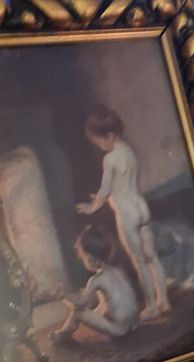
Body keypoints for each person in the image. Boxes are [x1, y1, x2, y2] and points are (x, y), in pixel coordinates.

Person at [77, 105, 170, 320]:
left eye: (99, 142)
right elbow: (123, 185)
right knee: (152, 257)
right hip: (141, 207)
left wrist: (92, 206)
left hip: (127, 213)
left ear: (109, 136)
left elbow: (106, 190)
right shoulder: (129, 151)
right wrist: (107, 197)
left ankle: (151, 307)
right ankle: (163, 300)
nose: (100, 146)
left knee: (139, 262)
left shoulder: (109, 159)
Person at [49, 226, 138, 344]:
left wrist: (63, 296)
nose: (80, 258)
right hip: (133, 324)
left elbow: (80, 304)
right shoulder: (118, 270)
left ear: (90, 258)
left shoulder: (96, 280)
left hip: (118, 329)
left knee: (78, 312)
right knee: (102, 297)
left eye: (81, 256)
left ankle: (63, 334)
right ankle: (64, 332)